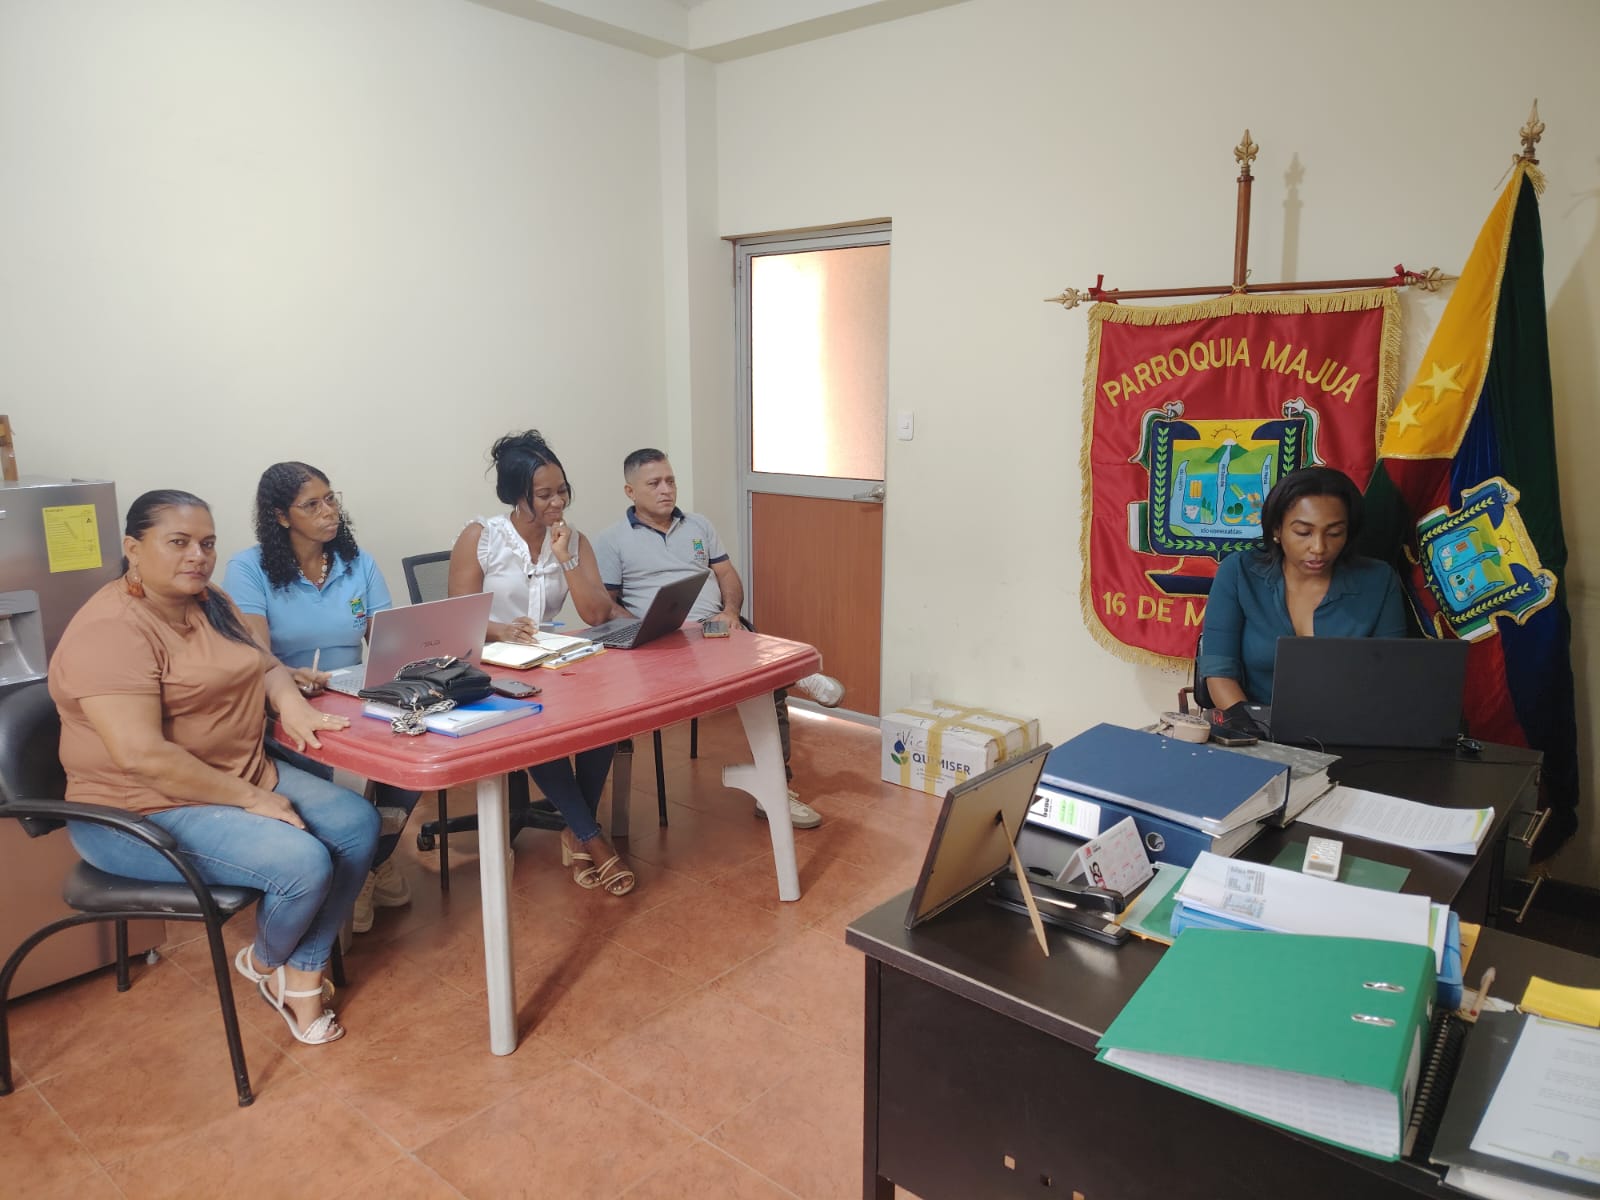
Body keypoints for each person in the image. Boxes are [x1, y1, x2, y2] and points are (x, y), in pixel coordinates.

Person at [48, 490, 379, 1045]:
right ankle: (271, 963)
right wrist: (252, 799)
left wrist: (291, 704)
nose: (197, 556)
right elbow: (141, 756)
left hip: (239, 772)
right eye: (178, 543)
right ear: (133, 548)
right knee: (302, 864)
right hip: (141, 808)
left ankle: (294, 972)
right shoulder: (110, 630)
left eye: (207, 543)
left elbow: (264, 664)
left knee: (356, 824)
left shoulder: (210, 600)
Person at [593, 448, 845, 830]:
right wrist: (644, 629)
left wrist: (730, 611)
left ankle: (775, 788)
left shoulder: (698, 525)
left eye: (670, 480)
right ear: (630, 491)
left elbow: (726, 574)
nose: (666, 490)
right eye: (654, 483)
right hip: (661, 645)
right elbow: (607, 606)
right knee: (761, 672)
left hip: (715, 627)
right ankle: (795, 674)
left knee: (762, 684)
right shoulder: (612, 540)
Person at [221, 462, 420, 934]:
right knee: (351, 773)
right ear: (281, 516)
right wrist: (291, 676)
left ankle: (372, 861)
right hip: (285, 704)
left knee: (414, 753)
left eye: (331, 499)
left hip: (353, 694)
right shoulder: (248, 569)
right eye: (312, 505)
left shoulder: (357, 562)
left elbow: (387, 640)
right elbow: (255, 655)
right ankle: (364, 867)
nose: (329, 511)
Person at [448, 430, 636, 895]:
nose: (558, 503)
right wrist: (501, 630)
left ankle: (576, 829)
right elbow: (457, 617)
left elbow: (595, 614)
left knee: (605, 720)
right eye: (545, 495)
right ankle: (592, 838)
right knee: (537, 727)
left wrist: (565, 557)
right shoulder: (481, 538)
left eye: (563, 491)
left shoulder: (574, 540)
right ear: (518, 496)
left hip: (549, 661)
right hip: (491, 667)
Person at [1197, 465, 1407, 713]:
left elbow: (1390, 676)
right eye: (1303, 532)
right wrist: (1252, 728)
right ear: (1277, 529)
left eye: (1334, 533)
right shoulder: (1239, 572)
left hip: (1350, 724)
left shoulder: (1379, 580)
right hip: (1253, 724)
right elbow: (1219, 673)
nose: (1319, 547)